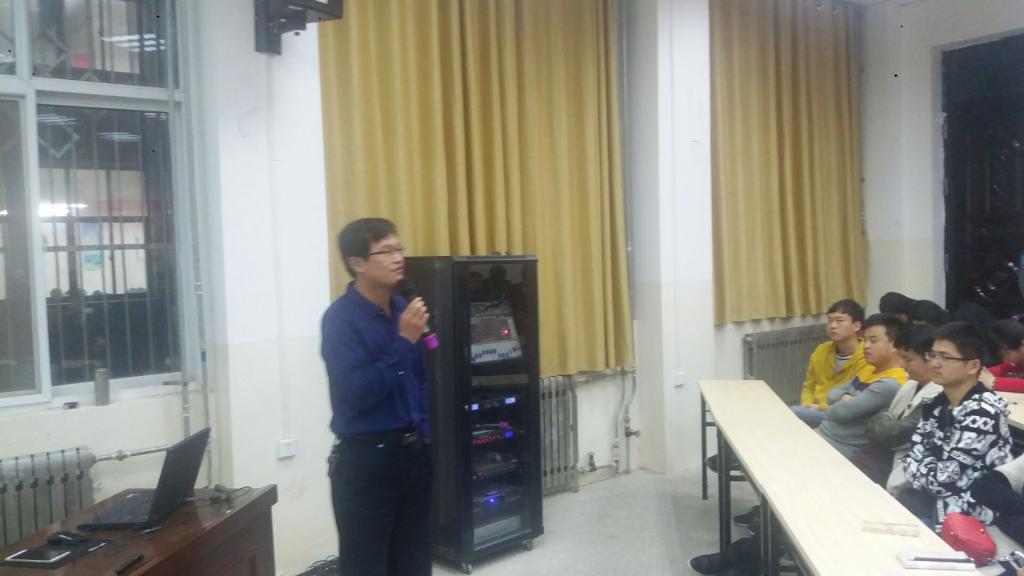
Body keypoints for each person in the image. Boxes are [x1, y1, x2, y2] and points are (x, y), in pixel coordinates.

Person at [321, 218, 433, 576]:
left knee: (415, 561)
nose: (398, 258)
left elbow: (418, 381)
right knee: (367, 566)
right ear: (357, 263)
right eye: (385, 251)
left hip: (413, 456)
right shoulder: (340, 320)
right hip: (367, 462)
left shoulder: (402, 308)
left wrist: (424, 434)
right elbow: (359, 392)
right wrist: (403, 341)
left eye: (400, 249)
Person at [899, 321, 1014, 527]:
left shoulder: (983, 413)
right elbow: (910, 456)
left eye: (945, 357)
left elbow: (942, 483)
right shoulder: (936, 403)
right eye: (932, 355)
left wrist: (921, 467)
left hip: (971, 518)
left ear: (973, 366)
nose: (934, 364)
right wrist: (926, 468)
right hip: (930, 504)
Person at [816, 313, 908, 460]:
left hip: (842, 448)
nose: (866, 346)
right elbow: (831, 393)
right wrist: (845, 398)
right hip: (825, 434)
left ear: (894, 345)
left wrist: (842, 399)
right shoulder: (869, 369)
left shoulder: (891, 383)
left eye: (873, 341)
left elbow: (838, 412)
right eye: (865, 340)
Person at [862, 325, 942, 493]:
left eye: (907, 359)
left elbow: (894, 435)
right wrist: (887, 423)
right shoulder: (909, 385)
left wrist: (887, 422)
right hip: (882, 459)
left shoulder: (939, 395)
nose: (901, 364)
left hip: (907, 474)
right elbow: (873, 422)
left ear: (929, 358)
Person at [790, 299, 868, 428]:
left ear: (856, 326)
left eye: (839, 320)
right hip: (813, 410)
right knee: (790, 414)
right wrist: (807, 405)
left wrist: (821, 408)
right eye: (830, 320)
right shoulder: (822, 350)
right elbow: (809, 386)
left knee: (792, 414)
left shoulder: (866, 356)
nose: (833, 326)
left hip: (841, 416)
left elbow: (855, 400)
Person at [986, 318, 1024, 392]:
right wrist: (980, 374)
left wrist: (993, 382)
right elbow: (1004, 369)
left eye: (1005, 354)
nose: (1005, 359)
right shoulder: (1019, 360)